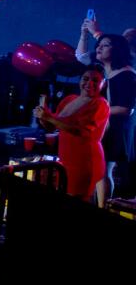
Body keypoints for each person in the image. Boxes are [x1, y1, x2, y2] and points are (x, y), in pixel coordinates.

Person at [35, 65, 110, 202]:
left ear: (103, 84)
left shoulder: (100, 104)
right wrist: (42, 117)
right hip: (66, 159)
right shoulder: (69, 99)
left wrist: (49, 118)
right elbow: (52, 127)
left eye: (95, 80)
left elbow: (80, 131)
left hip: (85, 161)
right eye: (86, 79)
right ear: (80, 80)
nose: (89, 83)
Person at [94, 34, 134, 203]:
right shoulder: (108, 72)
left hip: (116, 130)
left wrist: (96, 112)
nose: (99, 48)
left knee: (103, 171)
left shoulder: (125, 74)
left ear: (116, 50)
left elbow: (126, 108)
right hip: (108, 127)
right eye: (99, 45)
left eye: (106, 45)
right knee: (101, 172)